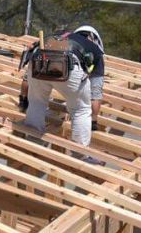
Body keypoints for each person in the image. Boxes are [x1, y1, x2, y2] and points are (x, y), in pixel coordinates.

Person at [18, 25, 105, 153]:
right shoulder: (95, 49)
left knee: (36, 102)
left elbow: (26, 78)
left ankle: (33, 141)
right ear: (94, 39)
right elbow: (95, 93)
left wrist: (23, 100)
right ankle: (79, 152)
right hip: (69, 66)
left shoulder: (55, 38)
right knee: (80, 109)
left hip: (38, 63)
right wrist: (94, 121)